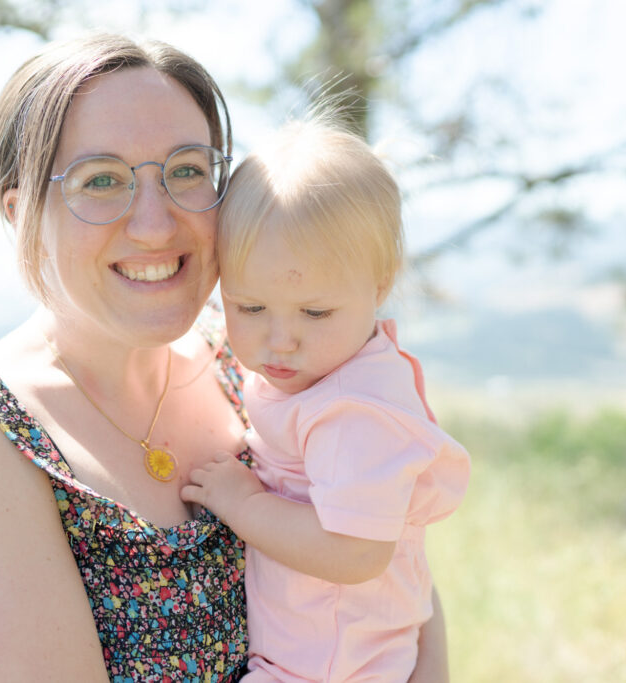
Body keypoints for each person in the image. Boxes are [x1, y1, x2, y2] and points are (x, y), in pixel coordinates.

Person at [0, 34, 449, 682]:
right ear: (20, 209)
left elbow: (396, 587)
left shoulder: (256, 361)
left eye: (188, 170)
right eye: (102, 180)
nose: (155, 223)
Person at [180, 117, 471, 682]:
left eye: (315, 313)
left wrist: (245, 506)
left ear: (380, 285)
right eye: (249, 308)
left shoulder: (352, 410)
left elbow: (356, 553)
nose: (279, 340)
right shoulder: (319, 366)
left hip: (331, 665)